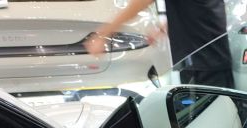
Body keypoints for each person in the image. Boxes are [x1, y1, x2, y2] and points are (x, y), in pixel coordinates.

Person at [85, 0, 233, 89]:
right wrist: (168, 26)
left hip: (205, 64)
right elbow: (197, 7)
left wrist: (103, 34)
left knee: (212, 123)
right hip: (204, 60)